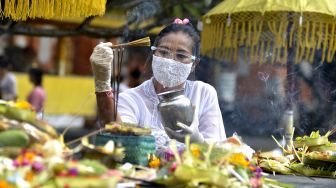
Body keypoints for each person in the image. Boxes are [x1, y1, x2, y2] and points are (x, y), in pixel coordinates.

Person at [90, 18, 226, 149]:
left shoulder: (203, 93)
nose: (170, 60)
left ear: (193, 64)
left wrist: (198, 140)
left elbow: (219, 154)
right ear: (154, 53)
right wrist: (102, 84)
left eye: (181, 55)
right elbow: (117, 137)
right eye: (164, 52)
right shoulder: (131, 98)